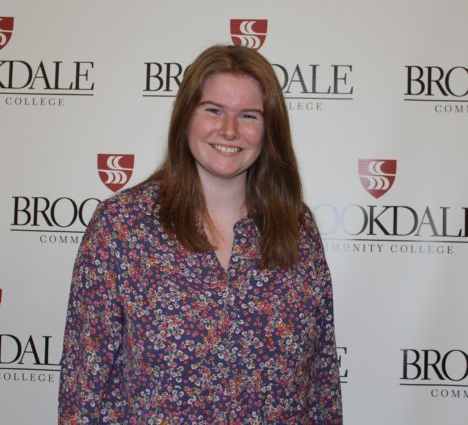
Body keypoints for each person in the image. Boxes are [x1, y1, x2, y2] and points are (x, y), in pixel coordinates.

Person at [58, 44, 343, 423]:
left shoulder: (297, 228)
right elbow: (84, 385)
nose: (229, 129)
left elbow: (322, 380)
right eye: (213, 110)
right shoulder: (122, 226)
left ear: (268, 129)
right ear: (186, 117)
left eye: (249, 115)